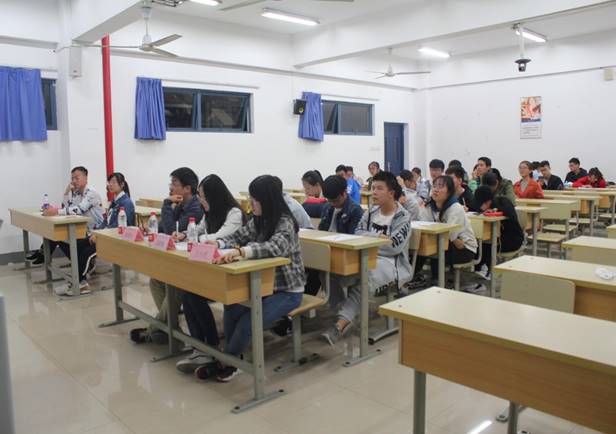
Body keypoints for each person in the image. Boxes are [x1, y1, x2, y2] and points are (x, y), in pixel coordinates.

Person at [205, 175, 305, 382]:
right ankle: (233, 356)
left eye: (254, 199)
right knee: (232, 306)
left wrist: (242, 251)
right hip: (264, 286)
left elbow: (274, 247)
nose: (251, 203)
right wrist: (218, 243)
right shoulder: (259, 220)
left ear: (267, 200)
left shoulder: (285, 222)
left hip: (288, 291)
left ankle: (228, 361)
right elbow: (238, 236)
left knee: (248, 322)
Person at [321, 171, 412, 345]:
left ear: (391, 193)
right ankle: (345, 313)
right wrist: (379, 237)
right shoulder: (371, 212)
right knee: (329, 270)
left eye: (379, 188)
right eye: (373, 188)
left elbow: (393, 247)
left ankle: (340, 324)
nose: (374, 192)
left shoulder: (403, 217)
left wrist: (371, 239)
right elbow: (357, 232)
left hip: (392, 264)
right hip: (365, 256)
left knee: (365, 276)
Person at [173, 174, 244, 374]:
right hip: (211, 267)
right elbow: (198, 230)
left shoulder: (234, 213)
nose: (201, 200)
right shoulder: (209, 212)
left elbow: (218, 237)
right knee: (189, 294)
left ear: (214, 196)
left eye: (203, 196)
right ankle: (201, 346)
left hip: (232, 273)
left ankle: (210, 346)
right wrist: (184, 235)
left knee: (193, 295)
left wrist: (196, 238)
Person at [130, 167, 204, 345]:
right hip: (180, 259)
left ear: (187, 188)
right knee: (155, 281)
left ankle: (153, 330)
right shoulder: (181, 204)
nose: (171, 187)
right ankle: (172, 330)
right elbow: (164, 228)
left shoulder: (195, 208)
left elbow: (171, 231)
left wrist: (166, 204)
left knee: (175, 285)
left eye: (175, 183)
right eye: (171, 183)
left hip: (194, 265)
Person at [41, 166, 104, 296]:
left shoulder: (91, 194)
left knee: (75, 247)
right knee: (57, 237)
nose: (74, 181)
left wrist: (56, 211)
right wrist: (66, 192)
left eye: (77, 178)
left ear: (85, 178)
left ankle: (79, 282)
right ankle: (78, 280)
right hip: (82, 232)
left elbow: (78, 210)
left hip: (96, 233)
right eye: (72, 178)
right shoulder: (76, 193)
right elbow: (66, 207)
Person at [419, 176, 478, 279]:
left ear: (449, 192)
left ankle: (437, 282)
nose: (436, 190)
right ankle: (413, 278)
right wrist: (454, 240)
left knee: (435, 248)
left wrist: (453, 239)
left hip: (465, 249)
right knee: (422, 246)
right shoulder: (430, 206)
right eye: (434, 186)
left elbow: (450, 235)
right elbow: (423, 226)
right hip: (448, 243)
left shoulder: (455, 207)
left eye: (440, 187)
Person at [474, 186, 524, 275]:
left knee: (485, 247)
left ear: (488, 201)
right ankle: (481, 269)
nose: (480, 207)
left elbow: (509, 214)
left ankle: (487, 271)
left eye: (482, 204)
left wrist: (494, 212)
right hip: (497, 239)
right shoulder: (487, 205)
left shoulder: (503, 203)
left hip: (513, 239)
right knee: (479, 244)